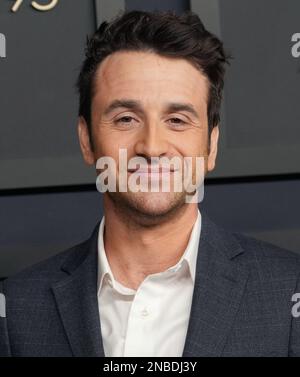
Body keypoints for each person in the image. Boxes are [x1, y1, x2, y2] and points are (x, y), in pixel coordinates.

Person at [1, 10, 300, 357]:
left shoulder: (288, 291)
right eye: (126, 119)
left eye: (176, 120)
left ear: (211, 146)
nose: (152, 147)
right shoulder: (18, 310)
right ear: (86, 140)